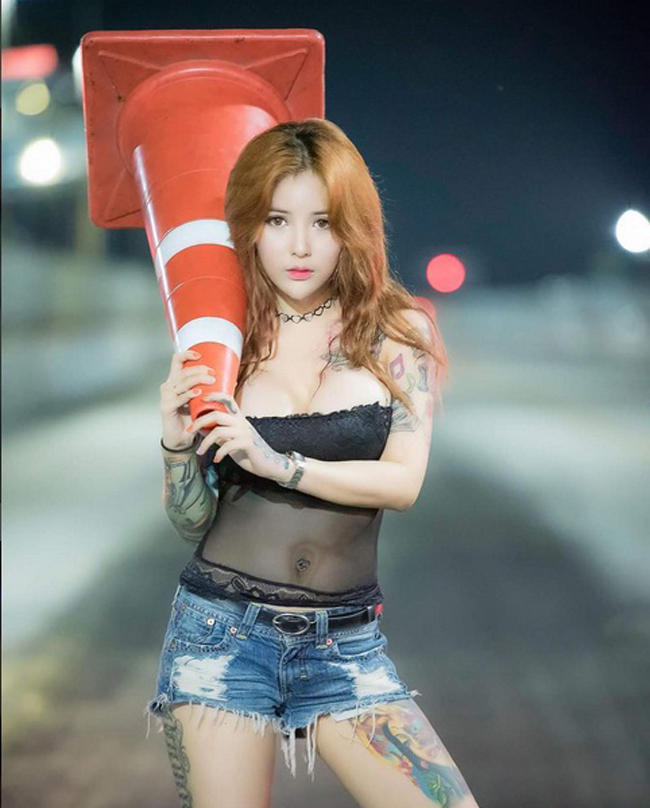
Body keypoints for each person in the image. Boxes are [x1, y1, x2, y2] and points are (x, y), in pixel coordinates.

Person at [147, 119, 479, 808]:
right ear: (250, 227)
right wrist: (176, 444)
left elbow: (403, 482)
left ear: (351, 227)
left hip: (346, 647)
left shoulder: (396, 331)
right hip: (220, 637)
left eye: (322, 222)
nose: (300, 246)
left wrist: (279, 463)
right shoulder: (225, 339)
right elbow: (192, 521)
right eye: (278, 220)